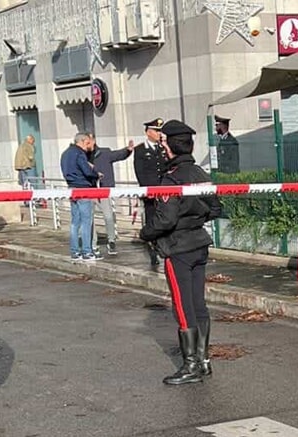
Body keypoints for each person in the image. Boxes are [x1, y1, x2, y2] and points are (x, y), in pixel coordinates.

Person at [140, 120, 222, 386]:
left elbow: (165, 219)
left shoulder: (172, 178)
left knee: (183, 306)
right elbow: (215, 208)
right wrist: (194, 218)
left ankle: (191, 365)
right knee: (198, 304)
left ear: (170, 147)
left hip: (178, 248)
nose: (162, 147)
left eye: (164, 143)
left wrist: (145, 233)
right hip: (199, 243)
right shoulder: (200, 173)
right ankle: (204, 360)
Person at [88, 135, 134, 257]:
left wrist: (128, 150)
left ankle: (111, 240)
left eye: (90, 140)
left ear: (93, 141)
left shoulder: (104, 153)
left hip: (104, 190)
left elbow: (118, 155)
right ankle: (93, 243)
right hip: (89, 190)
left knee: (108, 216)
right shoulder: (82, 155)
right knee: (90, 218)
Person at [60, 133, 100, 262]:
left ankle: (75, 251)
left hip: (72, 188)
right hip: (83, 188)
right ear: (82, 141)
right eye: (87, 143)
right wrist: (96, 174)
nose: (89, 146)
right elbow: (87, 171)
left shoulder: (65, 154)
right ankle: (87, 251)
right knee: (86, 222)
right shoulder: (79, 154)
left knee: (75, 222)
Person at [133, 118, 166, 271]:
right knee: (151, 219)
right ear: (148, 132)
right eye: (156, 131)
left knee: (164, 218)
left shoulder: (163, 148)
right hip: (150, 193)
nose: (159, 134)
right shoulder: (141, 150)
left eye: (160, 131)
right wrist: (147, 190)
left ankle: (162, 245)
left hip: (164, 192)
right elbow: (140, 172)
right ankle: (153, 249)